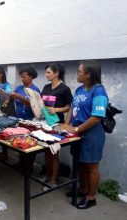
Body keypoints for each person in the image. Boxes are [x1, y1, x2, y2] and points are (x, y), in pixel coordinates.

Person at [61, 60, 108, 209]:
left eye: (79, 71)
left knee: (91, 166)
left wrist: (75, 129)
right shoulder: (79, 89)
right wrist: (66, 125)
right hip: (77, 133)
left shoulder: (98, 91)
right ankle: (82, 189)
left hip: (91, 134)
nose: (77, 73)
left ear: (88, 74)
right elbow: (72, 108)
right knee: (80, 163)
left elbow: (97, 116)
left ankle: (91, 197)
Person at [40, 63, 73, 190]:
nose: (46, 74)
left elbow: (69, 107)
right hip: (44, 123)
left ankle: (53, 180)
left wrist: (57, 110)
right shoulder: (46, 87)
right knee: (46, 151)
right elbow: (42, 102)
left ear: (56, 73)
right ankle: (47, 175)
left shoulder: (65, 89)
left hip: (56, 124)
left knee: (54, 152)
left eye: (48, 72)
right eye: (46, 72)